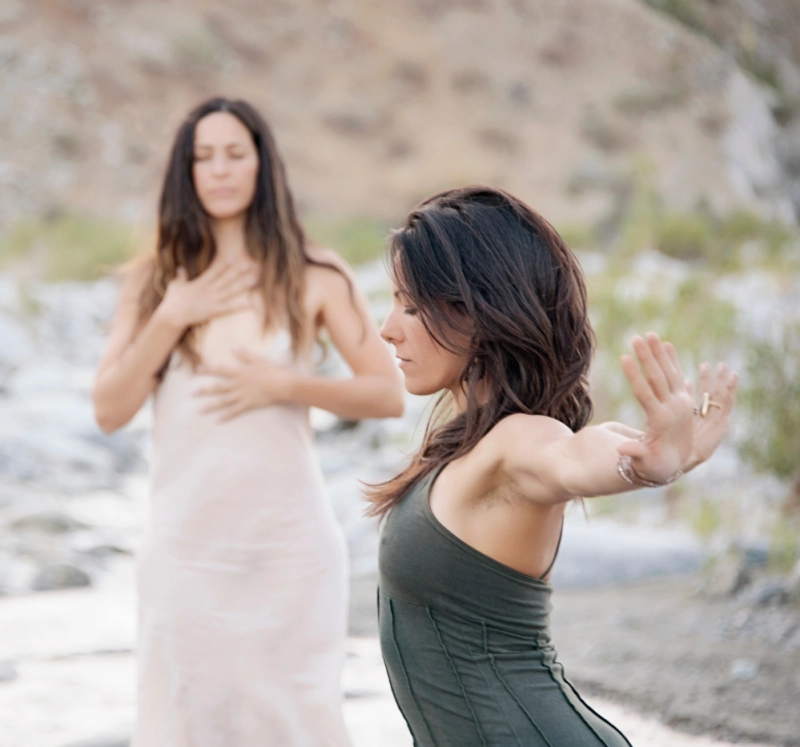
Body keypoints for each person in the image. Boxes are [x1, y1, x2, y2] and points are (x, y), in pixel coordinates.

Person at [371, 185, 738, 746]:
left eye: (413, 307)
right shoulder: (465, 445)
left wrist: (648, 467)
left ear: (482, 312)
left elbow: (575, 457)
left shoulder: (517, 439)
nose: (388, 328)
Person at [92, 97, 404, 746]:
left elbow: (386, 393)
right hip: (184, 550)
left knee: (299, 723)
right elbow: (109, 408)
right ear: (187, 172)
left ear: (263, 164)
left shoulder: (313, 273)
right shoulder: (155, 282)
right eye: (203, 157)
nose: (220, 170)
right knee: (182, 721)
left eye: (235, 153)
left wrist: (284, 385)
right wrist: (173, 315)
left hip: (287, 550)